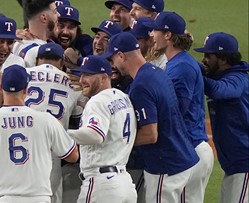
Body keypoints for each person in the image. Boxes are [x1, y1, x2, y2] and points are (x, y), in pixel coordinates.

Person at [0, 65, 79, 202]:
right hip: (38, 198)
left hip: (4, 198)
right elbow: (73, 156)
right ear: (26, 89)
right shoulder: (47, 120)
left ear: (2, 88)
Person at [104, 31, 200, 202]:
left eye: (112, 60)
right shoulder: (155, 72)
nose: (113, 65)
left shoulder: (141, 85)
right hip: (180, 156)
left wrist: (118, 142)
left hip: (165, 165)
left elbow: (150, 134)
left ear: (121, 55)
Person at [144, 12, 214, 202]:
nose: (151, 34)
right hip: (192, 148)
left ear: (168, 35)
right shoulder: (180, 62)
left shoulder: (181, 67)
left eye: (155, 30)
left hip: (189, 150)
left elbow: (175, 112)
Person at [66, 55, 137, 203]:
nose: (81, 80)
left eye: (88, 75)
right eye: (81, 74)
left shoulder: (97, 101)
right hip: (125, 183)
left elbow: (96, 135)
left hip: (102, 185)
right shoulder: (122, 97)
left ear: (104, 77)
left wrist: (62, 134)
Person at [24, 43, 85, 203]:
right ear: (62, 62)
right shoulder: (74, 83)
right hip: (52, 152)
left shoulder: (23, 74)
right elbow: (79, 120)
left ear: (37, 60)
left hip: (20, 146)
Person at [194, 32, 249, 203]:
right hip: (234, 166)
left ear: (223, 59)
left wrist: (196, 75)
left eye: (208, 56)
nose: (204, 60)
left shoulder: (238, 79)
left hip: (245, 165)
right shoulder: (220, 76)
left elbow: (220, 90)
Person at [12, 0, 59, 67]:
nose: (58, 15)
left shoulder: (15, 43)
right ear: (44, 18)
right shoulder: (43, 54)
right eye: (55, 12)